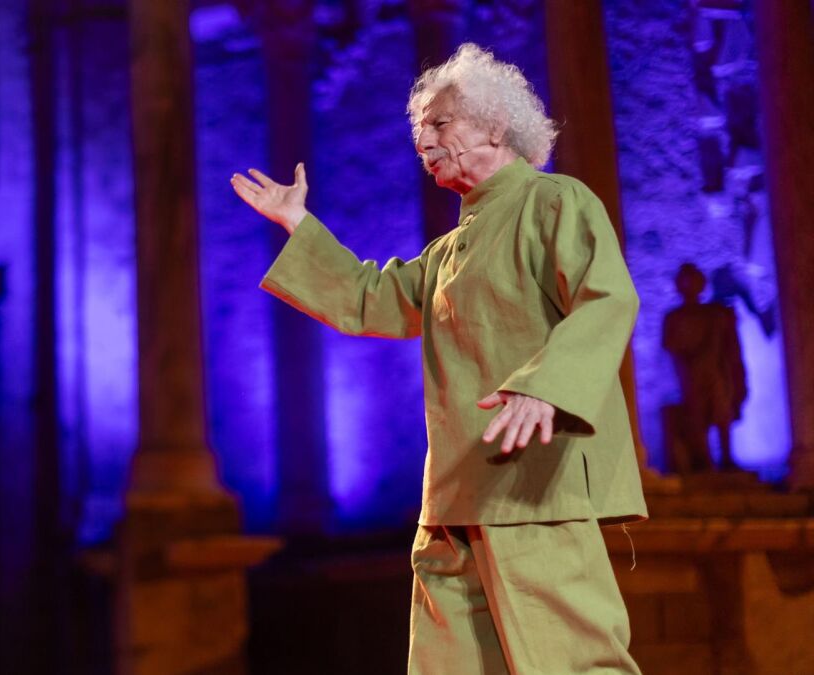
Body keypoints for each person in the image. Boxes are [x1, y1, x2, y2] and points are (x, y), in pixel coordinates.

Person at [231, 43, 645, 674]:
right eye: (419, 132)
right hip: (453, 499)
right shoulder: (450, 250)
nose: (423, 141)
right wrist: (298, 224)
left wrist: (547, 387)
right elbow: (371, 298)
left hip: (531, 489)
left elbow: (607, 298)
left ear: (495, 126)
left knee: (571, 662)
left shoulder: (554, 201)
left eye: (440, 123)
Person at [663, 262, 747, 473]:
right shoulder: (674, 318)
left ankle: (727, 459)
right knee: (697, 417)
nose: (690, 286)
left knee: (722, 413)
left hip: (716, 372)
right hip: (690, 374)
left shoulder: (715, 314)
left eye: (694, 281)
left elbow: (729, 344)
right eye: (686, 282)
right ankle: (704, 462)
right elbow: (671, 346)